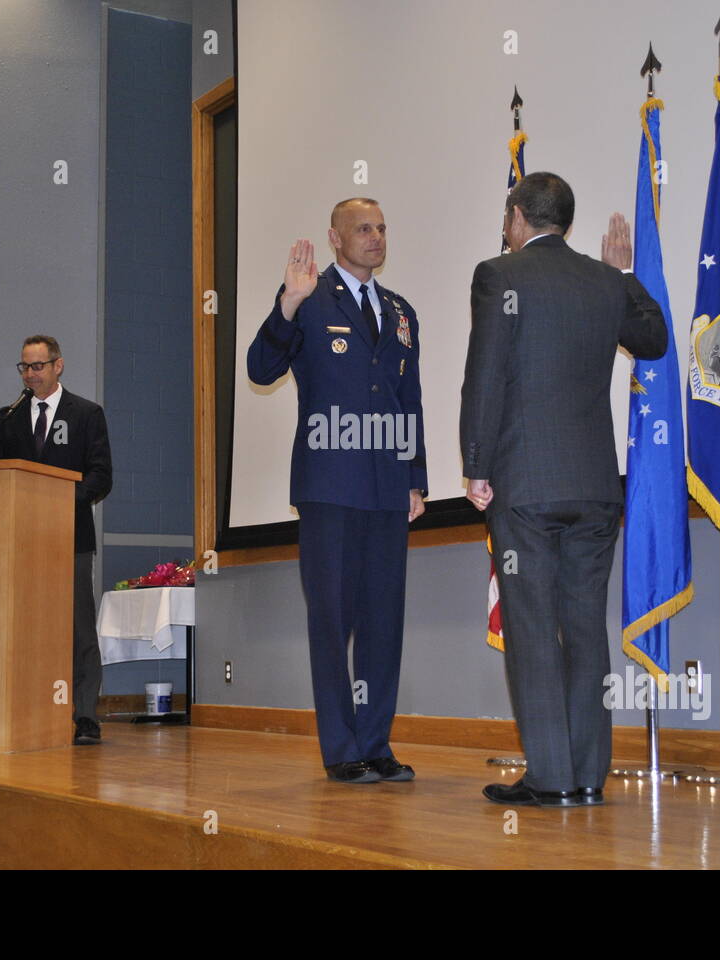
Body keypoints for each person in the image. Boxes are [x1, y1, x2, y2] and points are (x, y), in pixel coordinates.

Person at [460, 172, 666, 806]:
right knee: (583, 629)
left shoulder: (500, 275)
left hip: (527, 485)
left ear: (519, 217)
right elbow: (653, 340)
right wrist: (622, 277)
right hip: (596, 490)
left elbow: (486, 376)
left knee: (530, 628)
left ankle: (550, 776)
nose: (503, 227)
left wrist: (475, 462)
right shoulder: (605, 283)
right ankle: (585, 778)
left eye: (506, 216)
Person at [247, 198, 427, 784]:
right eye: (363, 229)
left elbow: (410, 401)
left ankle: (375, 741)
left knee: (383, 620)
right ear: (334, 237)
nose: (376, 237)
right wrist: (287, 304)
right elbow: (260, 368)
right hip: (329, 485)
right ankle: (342, 748)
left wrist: (416, 478)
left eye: (381, 227)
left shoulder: (401, 312)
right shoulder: (308, 298)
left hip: (385, 489)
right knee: (331, 619)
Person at [0, 335, 113, 746]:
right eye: (24, 367)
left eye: (38, 366)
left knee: (78, 627)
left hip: (70, 536)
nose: (30, 374)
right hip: (21, 540)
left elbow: (100, 476)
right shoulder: (8, 418)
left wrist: (58, 500)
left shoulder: (87, 414)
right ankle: (26, 709)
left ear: (58, 366)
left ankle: (86, 715)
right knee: (24, 624)